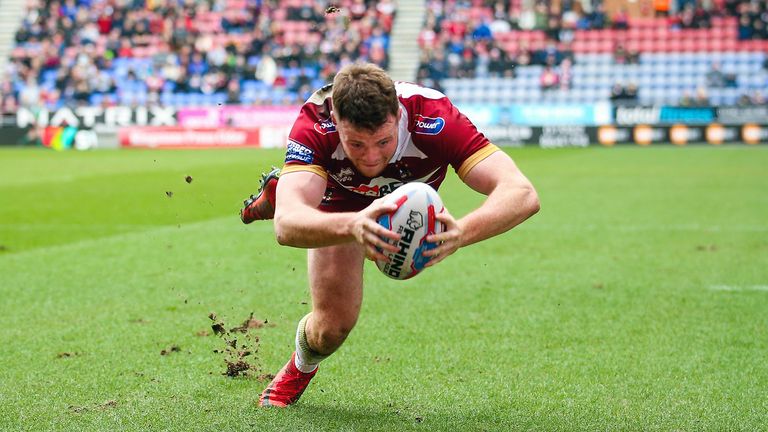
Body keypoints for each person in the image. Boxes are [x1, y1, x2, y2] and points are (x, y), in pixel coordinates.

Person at [240, 62, 540, 408]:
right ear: (336, 121)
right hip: (341, 204)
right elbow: (287, 226)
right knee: (331, 330)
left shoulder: (435, 118)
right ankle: (299, 368)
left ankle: (285, 190)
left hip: (399, 208)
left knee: (333, 323)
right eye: (356, 144)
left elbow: (522, 193)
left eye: (383, 141)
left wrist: (463, 233)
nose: (371, 157)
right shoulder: (316, 124)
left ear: (398, 116)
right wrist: (352, 225)